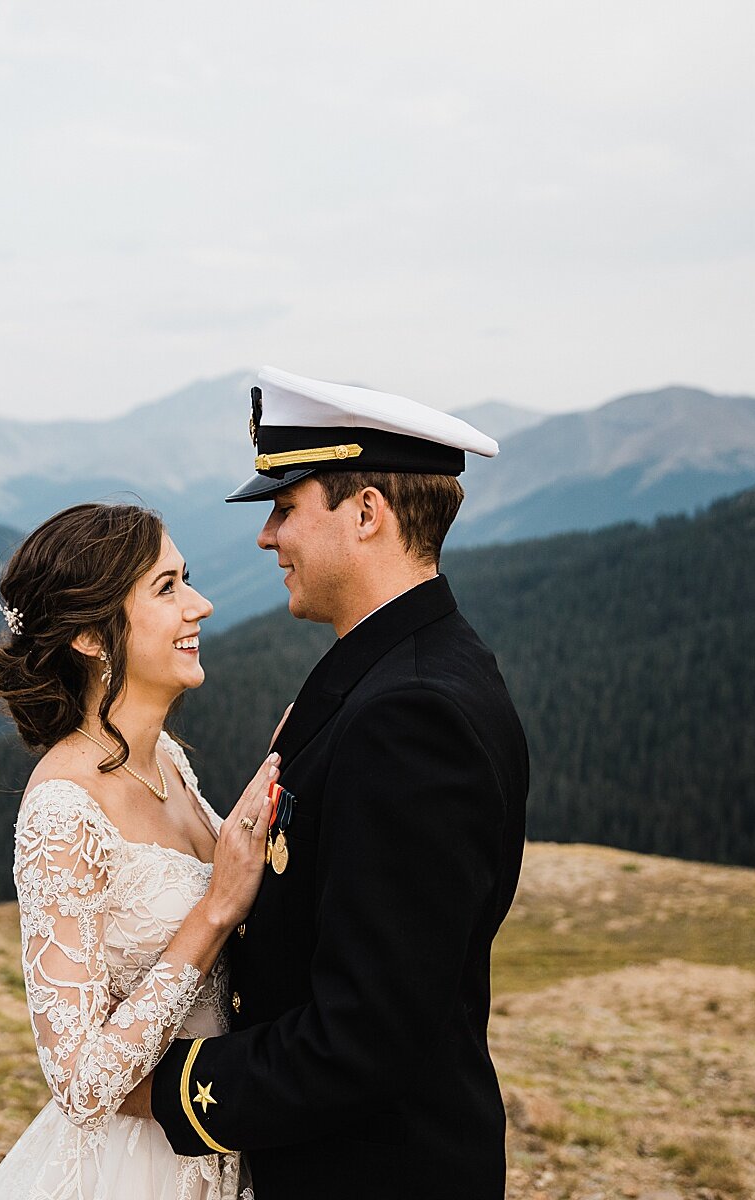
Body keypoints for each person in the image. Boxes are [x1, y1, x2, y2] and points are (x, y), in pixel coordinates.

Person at [127, 366, 531, 1198]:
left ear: (367, 513)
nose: (267, 538)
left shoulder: (409, 715)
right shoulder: (405, 673)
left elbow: (366, 1033)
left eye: (285, 509)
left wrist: (167, 1088)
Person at [0, 502, 278, 1200]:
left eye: (187, 580)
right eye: (167, 588)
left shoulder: (165, 759)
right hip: (133, 1170)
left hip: (215, 1139)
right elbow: (80, 1083)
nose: (199, 605)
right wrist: (212, 916)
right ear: (89, 633)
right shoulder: (61, 811)